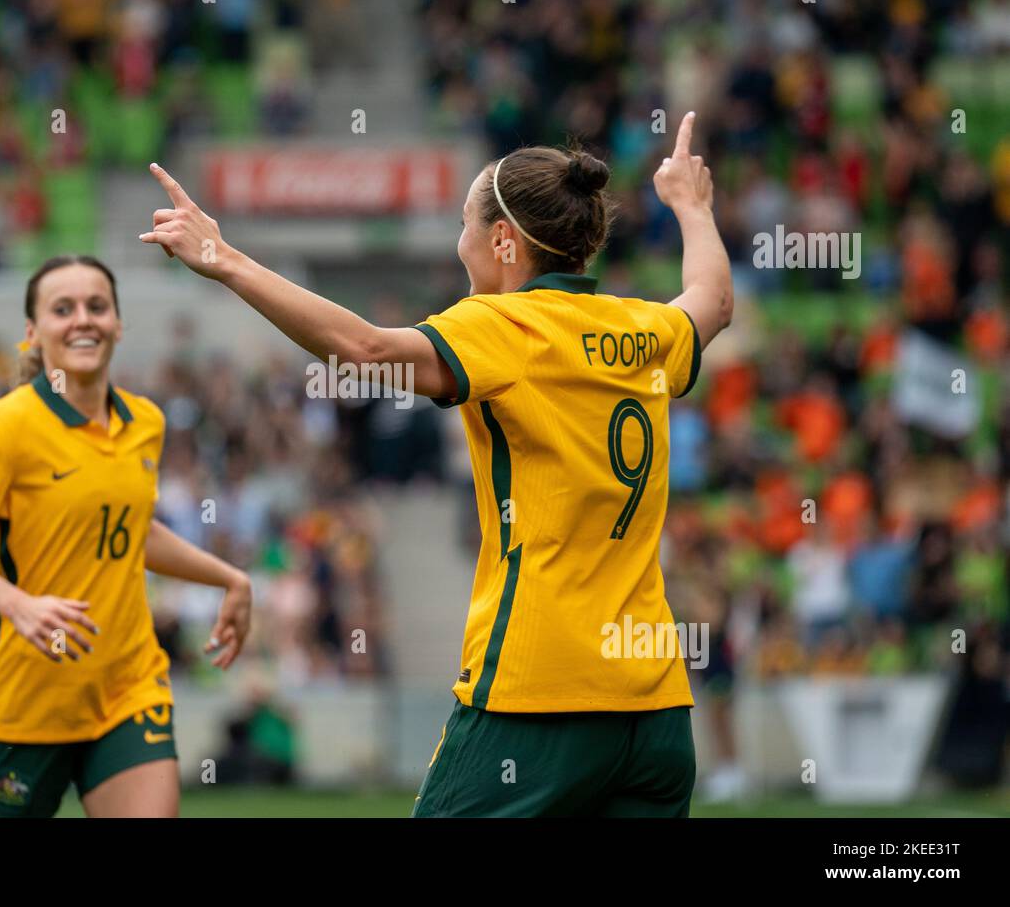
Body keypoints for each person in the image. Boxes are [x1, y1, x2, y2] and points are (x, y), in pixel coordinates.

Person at [140, 111, 732, 817]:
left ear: (504, 240)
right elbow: (714, 302)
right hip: (655, 707)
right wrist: (692, 207)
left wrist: (225, 259)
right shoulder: (645, 327)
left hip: (538, 692)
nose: (460, 245)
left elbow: (363, 351)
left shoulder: (506, 326)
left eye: (464, 226)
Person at [0, 255, 252, 818]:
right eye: (63, 309)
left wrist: (228, 577)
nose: (83, 319)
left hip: (127, 687)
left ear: (118, 324)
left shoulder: (146, 421)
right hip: (25, 701)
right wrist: (18, 605)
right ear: (33, 333)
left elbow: (128, 529)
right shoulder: (5, 426)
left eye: (97, 306)